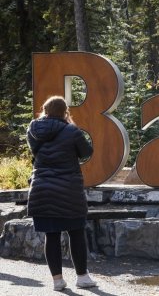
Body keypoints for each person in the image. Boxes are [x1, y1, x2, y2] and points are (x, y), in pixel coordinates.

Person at [26, 96, 97, 291]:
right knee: (76, 233)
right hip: (69, 189)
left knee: (52, 235)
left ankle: (57, 281)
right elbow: (86, 152)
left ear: (45, 110)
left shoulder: (33, 130)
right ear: (65, 111)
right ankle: (82, 277)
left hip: (42, 188)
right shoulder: (71, 131)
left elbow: (35, 153)